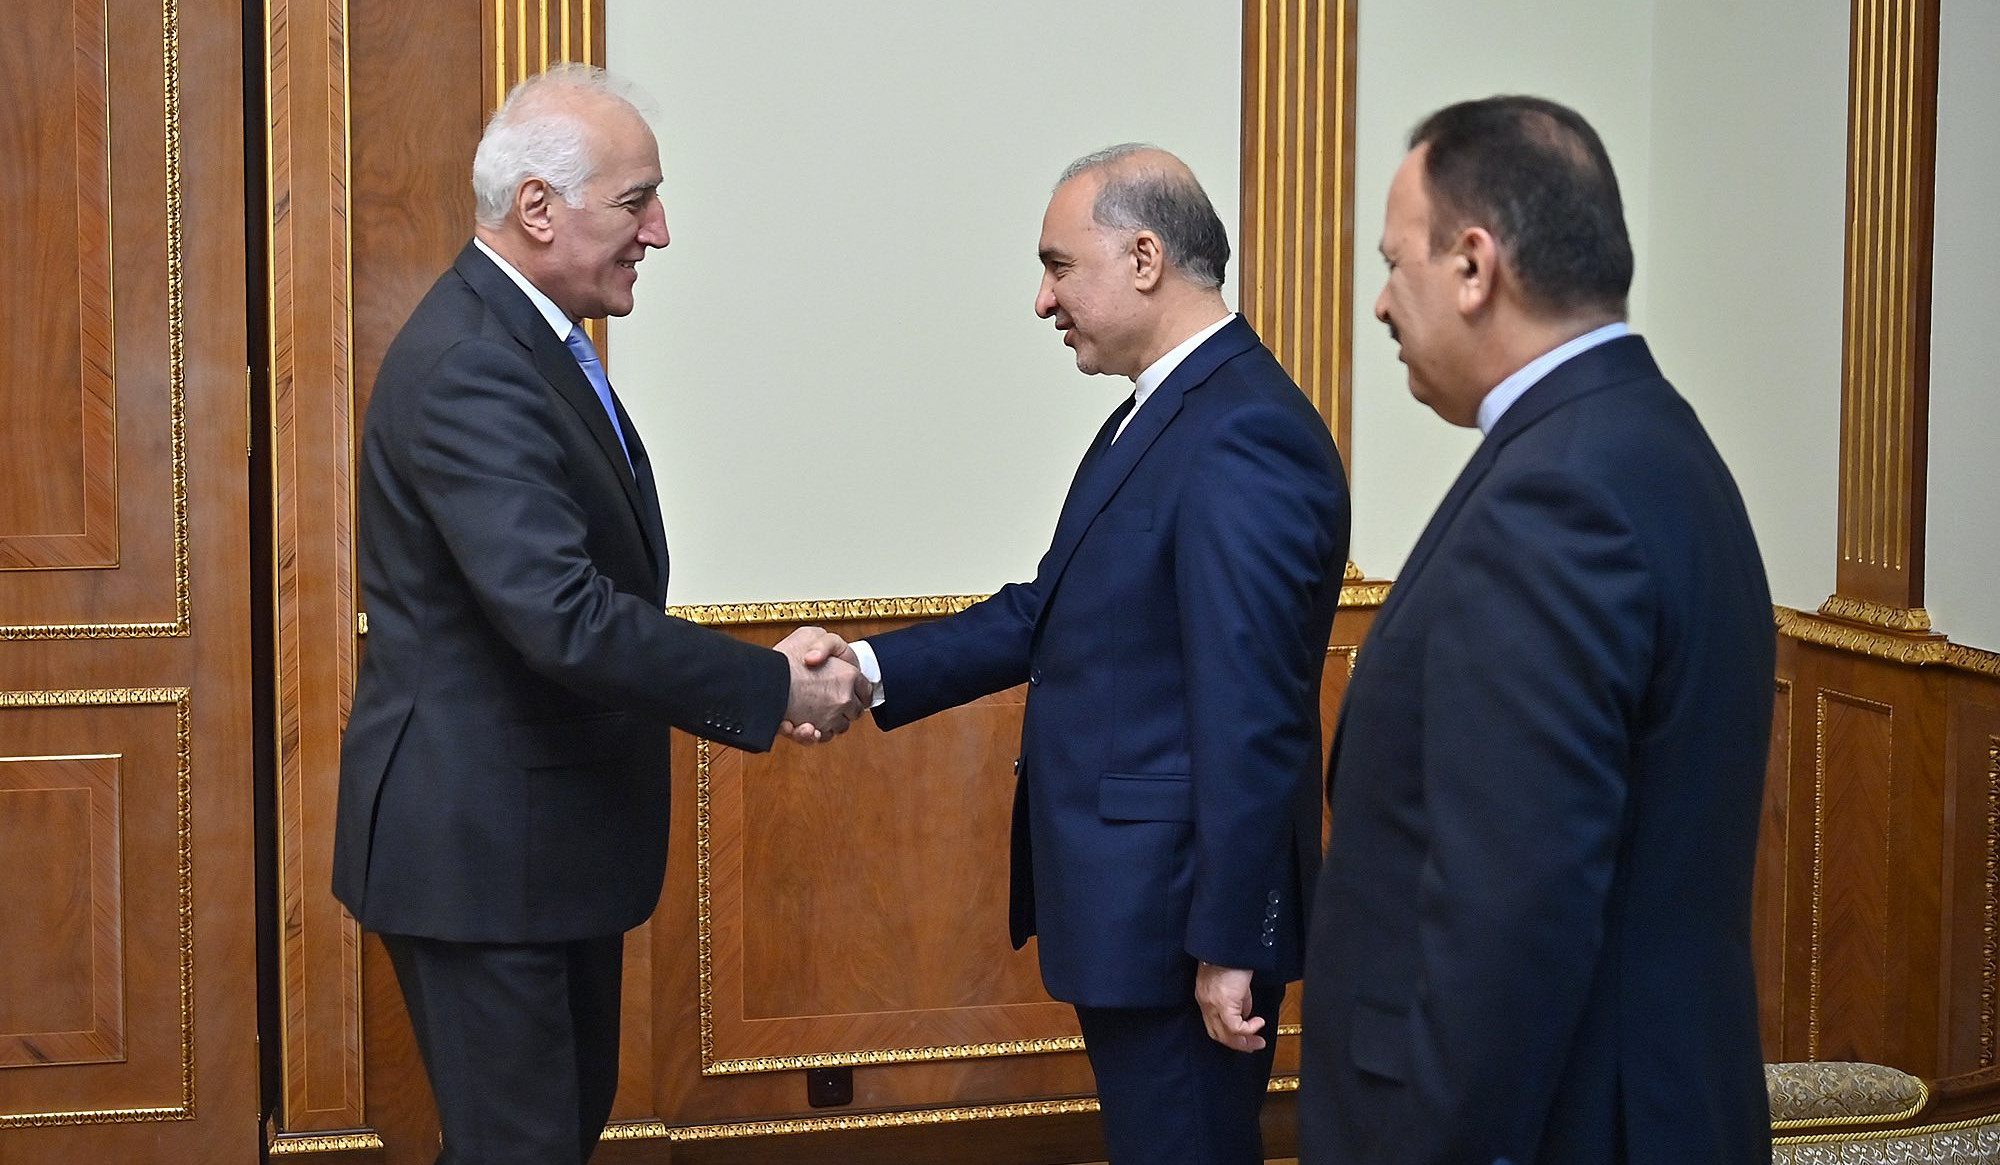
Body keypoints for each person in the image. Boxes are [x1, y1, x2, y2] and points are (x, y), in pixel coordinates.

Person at [331, 64, 867, 1165]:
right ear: (538, 207)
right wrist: (772, 684)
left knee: (544, 1137)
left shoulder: (520, 339)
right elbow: (562, 615)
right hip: (486, 855)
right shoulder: (474, 362)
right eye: (636, 201)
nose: (657, 231)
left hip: (536, 847)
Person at [837, 144, 1350, 1165]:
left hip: (1179, 925)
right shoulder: (1156, 415)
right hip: (1137, 914)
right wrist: (864, 670)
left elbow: (1253, 713)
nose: (1043, 299)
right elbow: (1054, 612)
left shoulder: (1244, 431)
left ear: (1145, 258)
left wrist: (1228, 943)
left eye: (1058, 265)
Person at [1297, 95, 1774, 1164]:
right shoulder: (1651, 441)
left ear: (1474, 266)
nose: (1380, 302)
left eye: (1394, 263)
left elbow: (1508, 920)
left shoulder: (1555, 498)